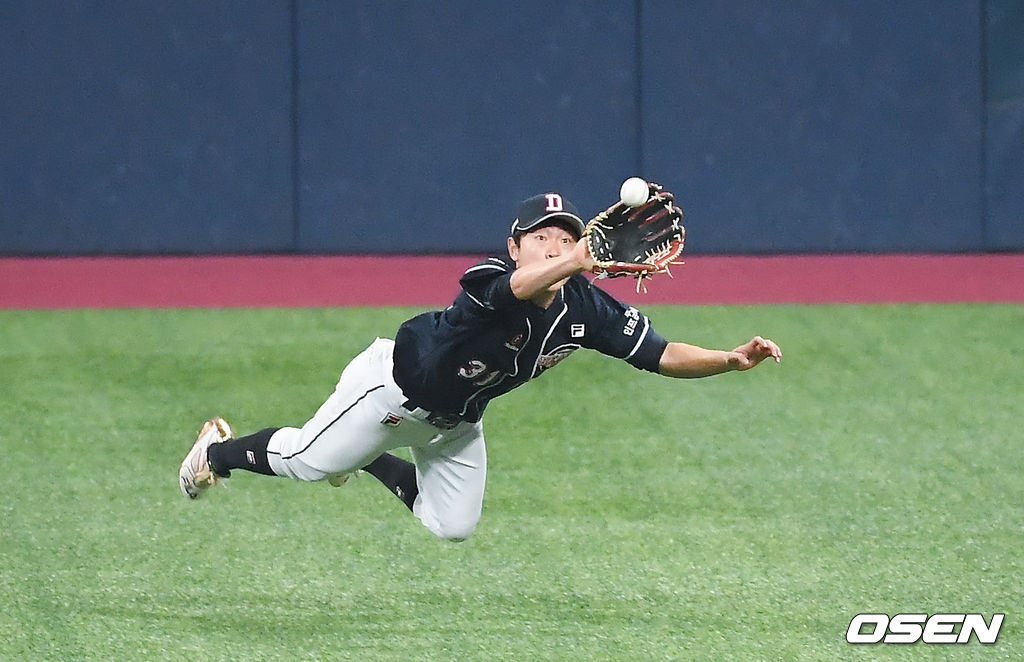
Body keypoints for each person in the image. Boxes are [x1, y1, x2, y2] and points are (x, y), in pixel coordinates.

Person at [178, 192, 782, 542]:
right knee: (305, 462)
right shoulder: (489, 278)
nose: (554, 241)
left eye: (565, 234)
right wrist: (575, 259)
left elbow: (661, 353)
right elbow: (521, 288)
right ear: (515, 245)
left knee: (452, 527)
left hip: (456, 424)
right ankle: (215, 453)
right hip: (388, 393)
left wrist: (729, 360)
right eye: (541, 235)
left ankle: (365, 463)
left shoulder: (585, 307)